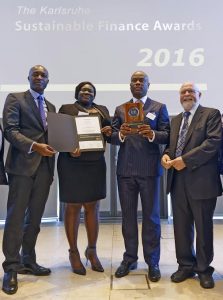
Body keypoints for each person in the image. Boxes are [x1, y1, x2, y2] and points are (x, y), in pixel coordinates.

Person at [161, 82, 222, 289]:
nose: (187, 94)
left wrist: (185, 160)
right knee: (181, 227)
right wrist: (166, 155)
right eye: (183, 92)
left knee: (203, 227)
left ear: (199, 95)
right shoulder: (177, 119)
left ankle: (204, 269)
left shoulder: (211, 114)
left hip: (202, 181)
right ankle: (185, 265)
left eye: (191, 91)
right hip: (178, 181)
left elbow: (212, 143)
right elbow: (171, 145)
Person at [2, 65, 56, 295]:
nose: (39, 77)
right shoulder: (15, 98)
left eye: (43, 75)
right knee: (15, 218)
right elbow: (10, 130)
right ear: (28, 78)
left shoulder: (51, 107)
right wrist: (35, 146)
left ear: (48, 81)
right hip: (22, 167)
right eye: (35, 74)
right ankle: (11, 268)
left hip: (44, 169)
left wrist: (70, 146)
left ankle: (28, 260)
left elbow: (54, 136)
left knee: (34, 218)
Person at [111, 71, 170, 281]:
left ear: (148, 84)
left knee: (151, 218)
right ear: (130, 86)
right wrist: (121, 134)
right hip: (125, 172)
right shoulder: (120, 109)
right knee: (127, 218)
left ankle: (152, 261)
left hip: (149, 171)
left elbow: (167, 134)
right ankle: (129, 258)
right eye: (134, 81)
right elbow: (111, 135)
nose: (137, 83)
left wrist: (152, 134)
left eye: (141, 80)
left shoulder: (159, 107)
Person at [57, 81, 112, 276]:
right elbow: (58, 135)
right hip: (71, 163)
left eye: (90, 90)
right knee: (72, 206)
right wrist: (69, 147)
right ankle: (73, 252)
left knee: (92, 206)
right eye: (83, 90)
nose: (86, 92)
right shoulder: (66, 109)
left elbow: (111, 136)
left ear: (94, 94)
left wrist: (109, 132)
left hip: (95, 163)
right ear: (77, 93)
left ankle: (92, 250)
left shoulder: (102, 111)